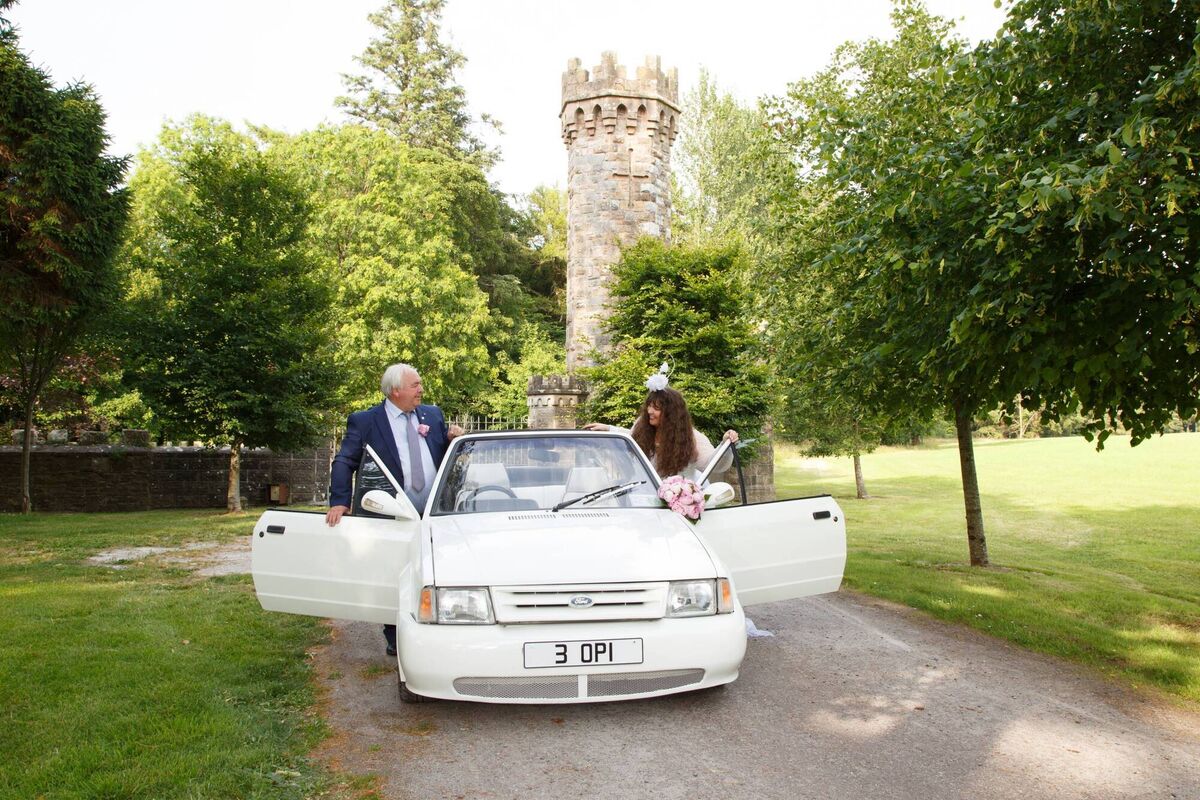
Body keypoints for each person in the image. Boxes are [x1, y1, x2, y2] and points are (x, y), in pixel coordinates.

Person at [326, 363, 462, 656]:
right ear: (395, 390)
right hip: (391, 512)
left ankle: (443, 628)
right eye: (416, 385)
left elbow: (444, 454)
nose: (421, 390)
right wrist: (340, 500)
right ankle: (395, 634)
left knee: (436, 569)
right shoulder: (365, 421)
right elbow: (344, 461)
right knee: (394, 571)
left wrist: (453, 438)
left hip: (435, 512)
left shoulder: (432, 415)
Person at [585, 365, 738, 480]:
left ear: (672, 413)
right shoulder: (642, 426)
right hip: (643, 499)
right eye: (649, 406)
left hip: (678, 504)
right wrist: (609, 429)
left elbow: (712, 464)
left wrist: (725, 445)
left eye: (656, 408)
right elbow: (631, 436)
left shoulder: (692, 437)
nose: (650, 411)